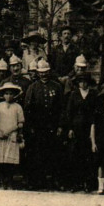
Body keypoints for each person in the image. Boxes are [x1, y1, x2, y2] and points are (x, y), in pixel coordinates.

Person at [23, 60, 63, 191]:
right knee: (37, 154)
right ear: (37, 73)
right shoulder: (33, 87)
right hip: (38, 127)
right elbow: (28, 109)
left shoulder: (57, 87)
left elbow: (61, 109)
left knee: (53, 154)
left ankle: (52, 181)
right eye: (41, 72)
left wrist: (60, 126)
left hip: (52, 126)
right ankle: (37, 181)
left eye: (45, 72)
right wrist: (31, 127)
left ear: (49, 72)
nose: (43, 75)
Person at [61, 73, 96, 193]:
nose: (83, 84)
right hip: (76, 128)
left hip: (89, 128)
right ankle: (75, 183)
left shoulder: (93, 95)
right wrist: (70, 128)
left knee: (88, 156)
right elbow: (69, 112)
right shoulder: (73, 95)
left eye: (85, 81)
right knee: (75, 156)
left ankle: (87, 183)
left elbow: (94, 113)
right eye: (81, 81)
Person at [0, 82, 26, 190]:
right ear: (3, 95)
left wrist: (12, 131)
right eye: (6, 94)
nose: (8, 96)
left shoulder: (18, 107)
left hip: (12, 136)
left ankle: (10, 182)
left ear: (14, 95)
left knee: (10, 161)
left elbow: (20, 123)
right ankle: (1, 182)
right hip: (1, 136)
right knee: (0, 161)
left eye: (11, 94)